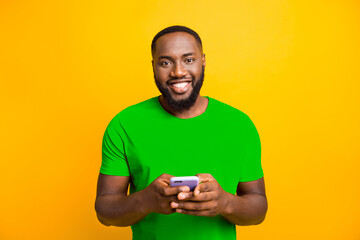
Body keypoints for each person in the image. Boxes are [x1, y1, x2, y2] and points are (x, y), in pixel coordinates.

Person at [95, 25, 267, 240]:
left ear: (202, 61)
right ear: (153, 66)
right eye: (166, 62)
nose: (178, 72)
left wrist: (225, 203)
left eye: (188, 60)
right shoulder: (124, 124)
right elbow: (105, 211)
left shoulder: (239, 125)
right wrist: (146, 200)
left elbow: (259, 209)